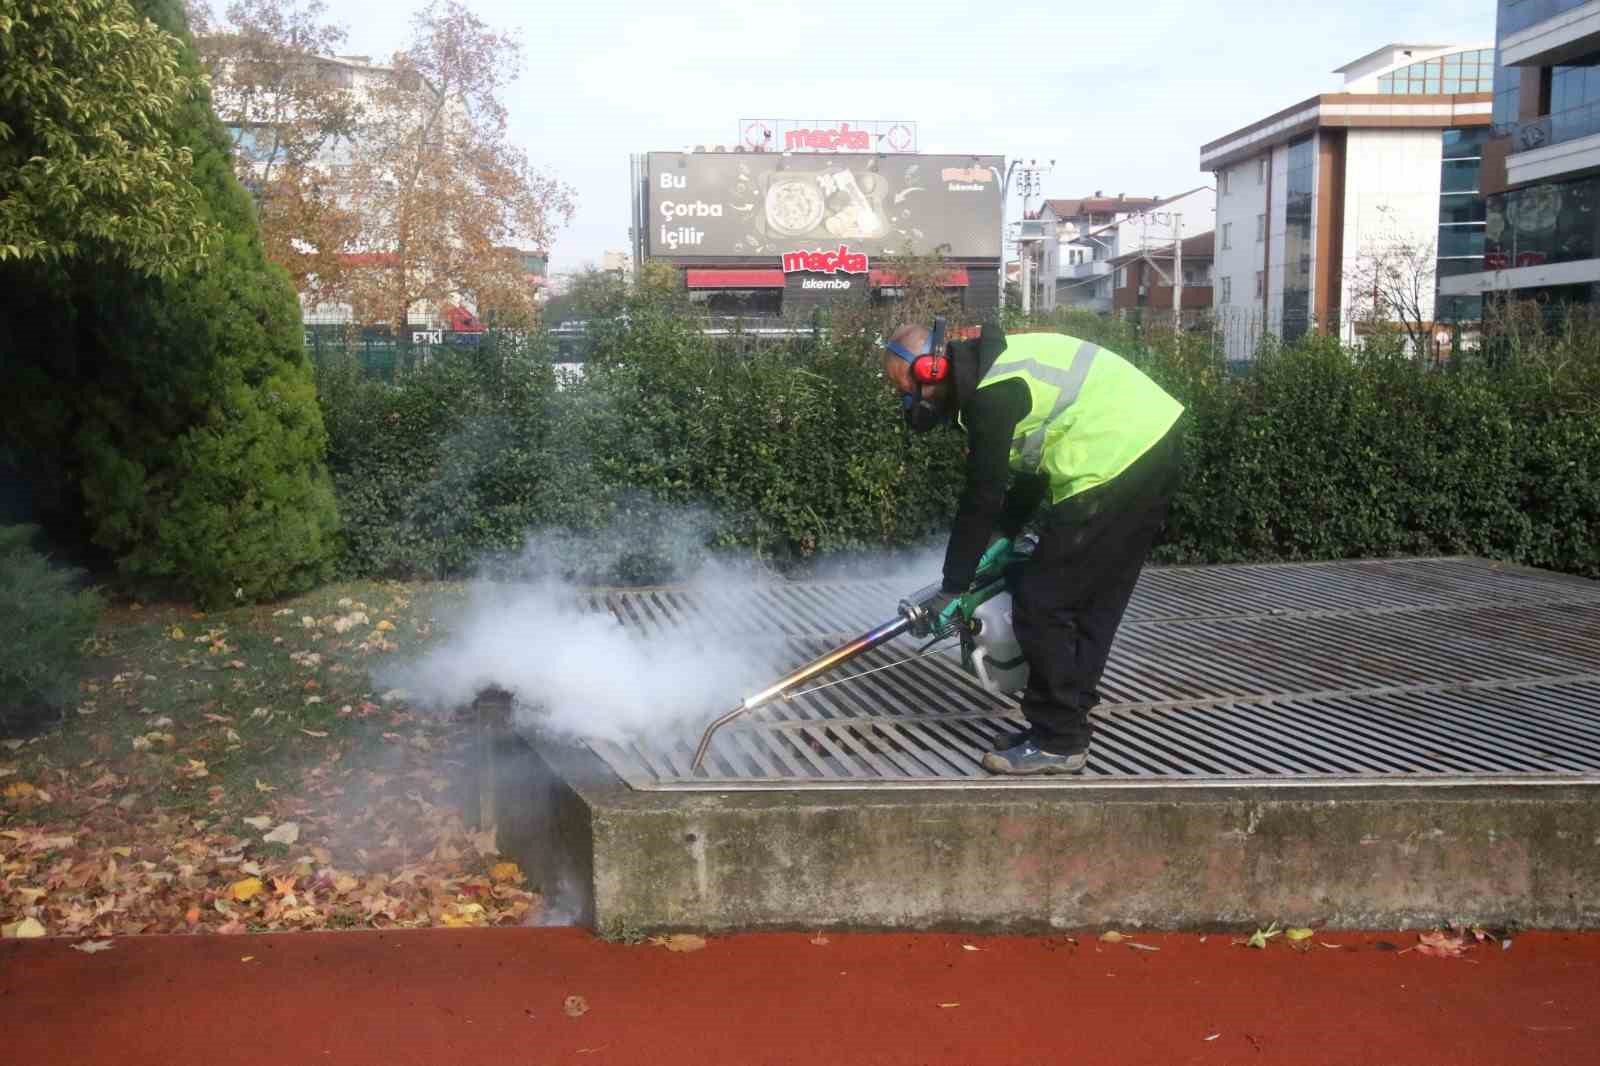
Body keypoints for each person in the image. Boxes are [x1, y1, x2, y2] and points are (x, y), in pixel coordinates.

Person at [881, 319, 1185, 775]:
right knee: (1093, 600)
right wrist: (1005, 536)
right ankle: (1065, 721)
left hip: (1115, 458)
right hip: (1153, 443)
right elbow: (1027, 472)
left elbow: (980, 497)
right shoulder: (996, 369)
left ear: (931, 369)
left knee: (1042, 600)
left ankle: (1059, 738)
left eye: (907, 390)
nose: (909, 403)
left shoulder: (991, 393)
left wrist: (953, 587)